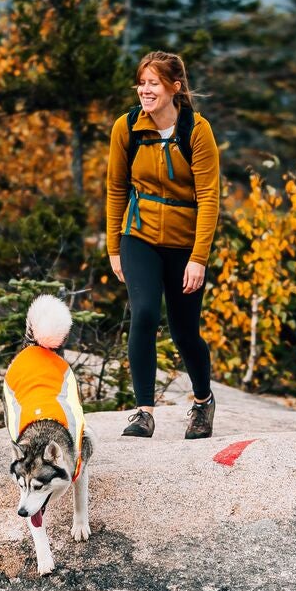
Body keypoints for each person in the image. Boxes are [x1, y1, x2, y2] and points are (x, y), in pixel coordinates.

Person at [105, 51, 221, 439]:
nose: (145, 90)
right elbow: (115, 187)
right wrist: (113, 247)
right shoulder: (127, 128)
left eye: (153, 83)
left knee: (185, 330)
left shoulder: (196, 131)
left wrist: (199, 258)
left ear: (174, 87)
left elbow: (209, 197)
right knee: (144, 314)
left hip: (185, 245)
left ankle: (203, 402)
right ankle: (142, 411)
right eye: (142, 82)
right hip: (139, 236)